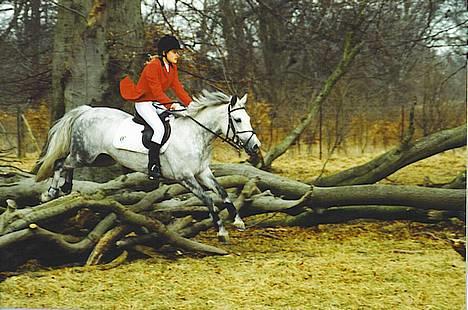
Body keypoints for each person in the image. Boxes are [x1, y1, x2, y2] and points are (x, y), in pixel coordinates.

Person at [120, 35, 193, 180]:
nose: (177, 55)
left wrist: (192, 105)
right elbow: (156, 90)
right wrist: (171, 104)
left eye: (178, 52)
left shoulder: (172, 67)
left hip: (157, 103)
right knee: (159, 129)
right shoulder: (152, 66)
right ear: (165, 52)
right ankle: (153, 166)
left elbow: (178, 88)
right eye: (174, 52)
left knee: (176, 121)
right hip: (144, 103)